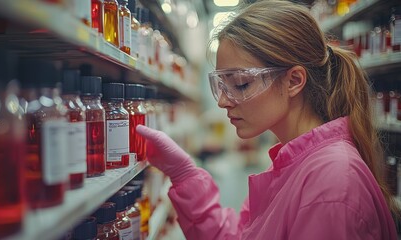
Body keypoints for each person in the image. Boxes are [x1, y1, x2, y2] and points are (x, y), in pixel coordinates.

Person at [136, 0, 399, 239]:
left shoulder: (331, 185)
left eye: (241, 84)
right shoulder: (292, 162)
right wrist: (184, 175)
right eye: (221, 85)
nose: (223, 101)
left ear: (294, 81)